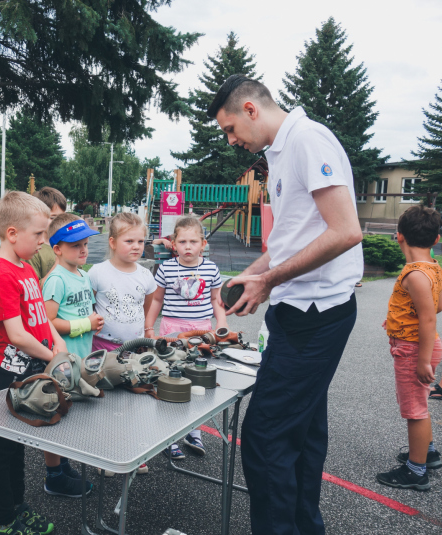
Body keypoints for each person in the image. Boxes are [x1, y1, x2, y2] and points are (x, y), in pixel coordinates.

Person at [209, 75, 363, 534]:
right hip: (296, 313)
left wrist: (269, 281)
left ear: (251, 109)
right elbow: (293, 237)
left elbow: (346, 231)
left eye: (231, 128)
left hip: (314, 318)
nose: (232, 140)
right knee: (303, 434)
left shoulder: (308, 140)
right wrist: (256, 274)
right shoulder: (280, 152)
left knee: (264, 438)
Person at [0, 191, 72, 535]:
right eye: (39, 234)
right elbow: (16, 335)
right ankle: (3, 520)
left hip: (34, 369)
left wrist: (58, 342)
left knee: (19, 445)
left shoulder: (25, 268)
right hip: (11, 373)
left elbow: (42, 320)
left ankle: (18, 507)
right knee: (3, 448)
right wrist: (54, 357)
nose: (44, 242)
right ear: (12, 234)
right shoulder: (2, 273)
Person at [145, 216, 227, 460]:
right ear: (173, 243)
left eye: (193, 241)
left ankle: (194, 431)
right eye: (182, 241)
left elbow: (216, 300)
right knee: (171, 378)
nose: (188, 247)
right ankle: (168, 436)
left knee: (198, 379)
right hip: (172, 330)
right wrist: (149, 327)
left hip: (201, 330)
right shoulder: (167, 268)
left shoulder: (211, 269)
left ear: (203, 244)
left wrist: (221, 324)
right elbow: (157, 300)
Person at [376, 205, 442, 491]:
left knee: (415, 410)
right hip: (421, 346)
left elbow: (428, 317)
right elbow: (434, 307)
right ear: (437, 239)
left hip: (414, 350)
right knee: (419, 404)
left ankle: (416, 471)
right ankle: (427, 453)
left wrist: (423, 361)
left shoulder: (414, 274)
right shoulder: (433, 268)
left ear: (399, 236)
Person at [89, 212, 157, 474]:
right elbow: (90, 305)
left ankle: (133, 452)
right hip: (104, 348)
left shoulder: (145, 275)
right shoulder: (97, 273)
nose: (137, 247)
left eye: (141, 241)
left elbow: (148, 305)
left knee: (134, 401)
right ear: (113, 242)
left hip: (135, 349)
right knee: (106, 402)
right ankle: (106, 454)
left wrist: (148, 330)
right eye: (130, 241)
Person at [42, 213, 104, 359]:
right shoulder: (56, 280)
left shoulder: (85, 276)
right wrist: (86, 324)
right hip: (64, 358)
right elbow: (48, 322)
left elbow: (87, 312)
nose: (83, 250)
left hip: (84, 353)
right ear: (58, 249)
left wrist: (96, 321)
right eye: (76, 245)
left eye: (85, 244)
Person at [28, 187, 67, 281]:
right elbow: (35, 289)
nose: (59, 222)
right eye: (52, 218)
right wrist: (58, 264)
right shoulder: (33, 251)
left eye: (62, 217)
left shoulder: (67, 244)